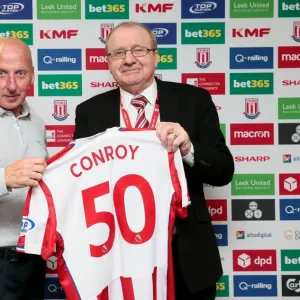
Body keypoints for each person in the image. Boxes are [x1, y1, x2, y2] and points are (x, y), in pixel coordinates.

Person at [73, 21, 234, 300]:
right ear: (108, 62)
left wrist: (188, 149)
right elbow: (80, 185)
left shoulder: (194, 100)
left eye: (139, 49)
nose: (129, 59)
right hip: (117, 256)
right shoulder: (89, 112)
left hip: (184, 252)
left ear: (156, 55)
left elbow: (223, 170)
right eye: (119, 53)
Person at [0, 38, 48, 300]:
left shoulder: (36, 122)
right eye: (1, 73)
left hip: (31, 255)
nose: (11, 85)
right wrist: (5, 177)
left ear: (32, 76)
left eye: (20, 73)